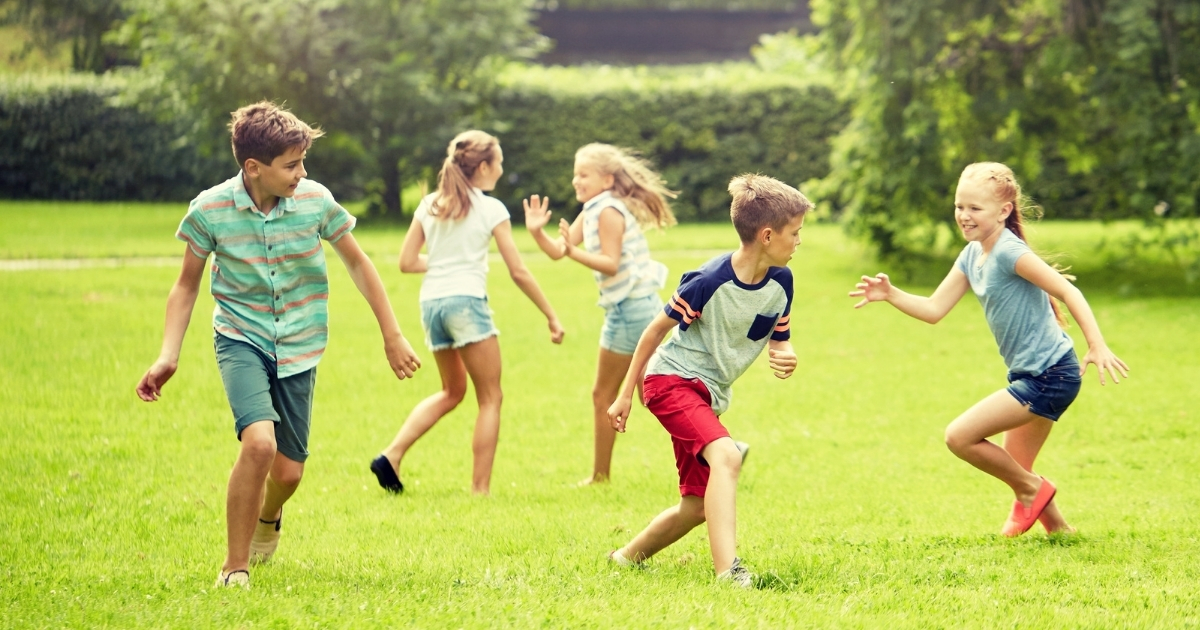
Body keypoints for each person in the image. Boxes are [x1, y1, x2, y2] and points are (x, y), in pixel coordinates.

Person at [135, 101, 422, 589]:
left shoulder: (314, 200)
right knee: (260, 444)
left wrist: (391, 333)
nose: (301, 173)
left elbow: (358, 263)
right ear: (254, 168)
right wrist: (168, 353)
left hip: (301, 342)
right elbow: (186, 285)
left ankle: (270, 517)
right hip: (241, 338)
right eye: (291, 165)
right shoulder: (210, 210)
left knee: (289, 474)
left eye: (303, 162)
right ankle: (235, 565)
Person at [849, 161, 1129, 537]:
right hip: (1032, 374)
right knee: (1016, 465)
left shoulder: (1009, 253)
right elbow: (934, 310)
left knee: (960, 437)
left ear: (1004, 211)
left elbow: (1067, 290)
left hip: (1050, 376)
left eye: (974, 208)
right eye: (959, 206)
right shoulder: (972, 254)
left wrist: (1096, 344)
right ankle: (1060, 530)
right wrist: (891, 294)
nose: (964, 216)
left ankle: (1033, 490)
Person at [606, 174, 810, 587]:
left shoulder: (781, 281)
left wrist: (784, 355)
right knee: (728, 457)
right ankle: (728, 573)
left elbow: (778, 339)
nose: (799, 241)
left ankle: (625, 559)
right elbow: (652, 333)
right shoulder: (708, 282)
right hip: (669, 382)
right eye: (795, 233)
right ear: (767, 235)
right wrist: (624, 394)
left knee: (697, 505)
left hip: (709, 395)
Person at [370, 130, 564, 497]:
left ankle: (391, 456)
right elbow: (518, 270)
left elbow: (407, 262)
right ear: (485, 166)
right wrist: (551, 314)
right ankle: (480, 490)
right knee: (490, 397)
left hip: (432, 305)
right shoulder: (491, 208)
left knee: (451, 391)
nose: (502, 170)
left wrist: (445, 262)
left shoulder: (430, 203)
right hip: (466, 303)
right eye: (500, 163)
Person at [523, 143, 676, 485]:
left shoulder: (607, 211)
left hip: (630, 311)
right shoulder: (594, 208)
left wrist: (575, 253)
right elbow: (559, 251)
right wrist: (536, 232)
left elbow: (610, 263)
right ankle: (719, 449)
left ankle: (601, 477)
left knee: (610, 395)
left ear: (607, 179)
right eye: (575, 173)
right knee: (655, 393)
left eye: (584, 174)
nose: (576, 180)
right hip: (636, 307)